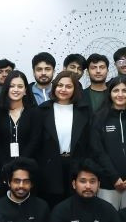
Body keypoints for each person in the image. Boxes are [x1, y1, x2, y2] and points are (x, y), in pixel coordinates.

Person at [91, 76, 126, 209]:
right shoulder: (99, 118)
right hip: (108, 184)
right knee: (108, 219)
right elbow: (98, 151)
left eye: (125, 91)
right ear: (109, 93)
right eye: (116, 90)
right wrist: (114, 177)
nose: (120, 94)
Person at [37, 71, 90, 207]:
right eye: (60, 85)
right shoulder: (43, 110)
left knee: (75, 207)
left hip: (76, 165)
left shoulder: (84, 110)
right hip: (50, 167)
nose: (63, 89)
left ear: (75, 89)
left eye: (68, 86)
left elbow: (89, 141)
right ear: (54, 87)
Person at [0, 71, 42, 201]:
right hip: (2, 169)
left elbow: (35, 140)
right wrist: (6, 166)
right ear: (6, 89)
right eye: (12, 86)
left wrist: (20, 164)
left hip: (28, 169)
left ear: (25, 90)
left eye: (20, 86)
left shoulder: (34, 112)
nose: (16, 90)